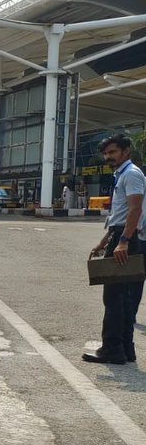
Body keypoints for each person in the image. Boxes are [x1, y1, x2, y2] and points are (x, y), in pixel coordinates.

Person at [85, 135, 143, 365]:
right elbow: (119, 215)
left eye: (113, 152)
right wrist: (104, 240)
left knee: (113, 296)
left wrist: (124, 241)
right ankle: (126, 350)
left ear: (126, 151)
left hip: (126, 238)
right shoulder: (123, 175)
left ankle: (112, 350)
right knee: (123, 297)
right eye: (106, 154)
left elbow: (135, 210)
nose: (108, 157)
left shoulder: (131, 174)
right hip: (120, 234)